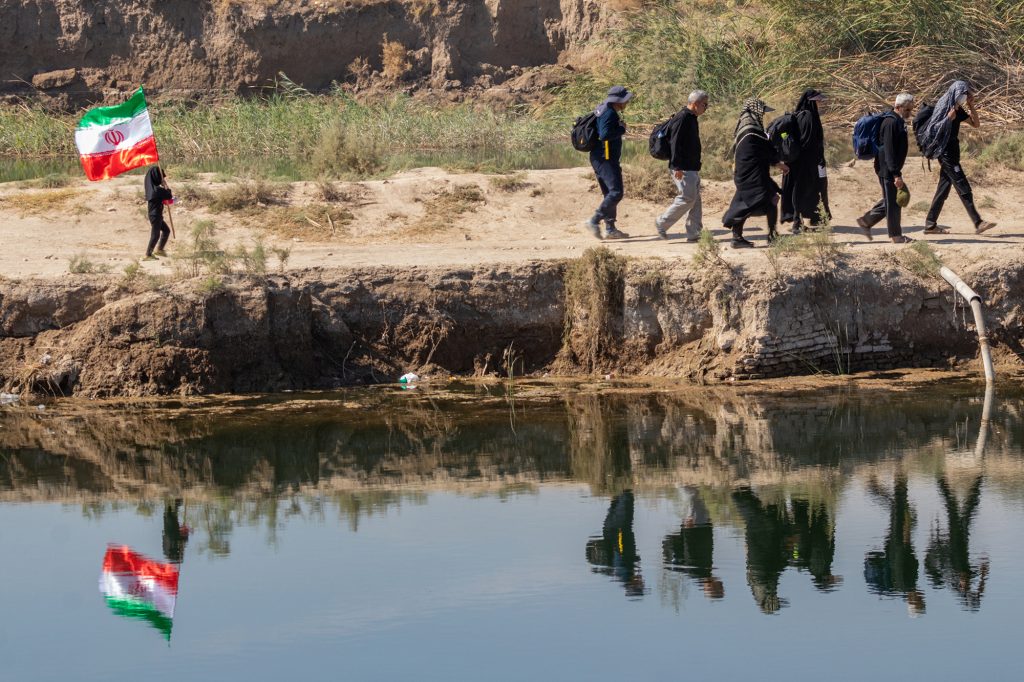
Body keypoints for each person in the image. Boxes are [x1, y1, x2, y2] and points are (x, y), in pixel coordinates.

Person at [922, 82, 997, 235]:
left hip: (953, 152)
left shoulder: (958, 108)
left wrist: (971, 106)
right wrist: (948, 119)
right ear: (956, 92)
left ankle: (930, 224)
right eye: (964, 93)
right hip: (945, 153)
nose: (965, 95)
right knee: (963, 186)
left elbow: (976, 124)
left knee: (943, 189)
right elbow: (932, 130)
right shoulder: (943, 107)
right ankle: (978, 222)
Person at [722, 98, 789, 248]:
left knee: (744, 204)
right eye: (762, 112)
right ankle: (771, 236)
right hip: (753, 176)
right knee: (770, 200)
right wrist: (778, 162)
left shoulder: (744, 128)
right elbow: (764, 151)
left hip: (747, 174)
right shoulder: (752, 130)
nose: (763, 116)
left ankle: (738, 238)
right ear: (755, 111)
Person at [856, 93, 915, 244]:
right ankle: (896, 236)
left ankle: (866, 220)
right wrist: (896, 174)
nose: (909, 113)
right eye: (907, 110)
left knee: (891, 199)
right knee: (895, 202)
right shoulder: (890, 122)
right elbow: (888, 150)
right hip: (887, 168)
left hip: (889, 167)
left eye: (911, 110)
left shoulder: (898, 120)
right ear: (898, 107)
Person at [655, 90, 709, 242]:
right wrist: (677, 166)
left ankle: (694, 233)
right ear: (696, 104)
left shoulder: (691, 117)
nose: (706, 108)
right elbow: (675, 143)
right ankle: (662, 222)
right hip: (683, 167)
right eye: (705, 105)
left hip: (690, 166)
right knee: (687, 198)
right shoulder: (683, 117)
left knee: (695, 200)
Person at [584, 86, 633, 240]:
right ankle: (594, 220)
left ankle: (610, 229)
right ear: (618, 100)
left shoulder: (603, 108)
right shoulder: (609, 113)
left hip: (600, 157)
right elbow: (605, 135)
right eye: (625, 99)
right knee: (616, 192)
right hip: (605, 158)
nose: (627, 102)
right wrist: (621, 129)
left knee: (609, 193)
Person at [781, 89, 830, 232]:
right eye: (817, 100)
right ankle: (797, 223)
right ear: (811, 101)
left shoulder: (801, 115)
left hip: (799, 161)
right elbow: (807, 142)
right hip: (805, 162)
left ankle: (809, 219)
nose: (820, 103)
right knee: (802, 190)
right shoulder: (808, 116)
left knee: (806, 190)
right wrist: (817, 159)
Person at [144, 166, 173, 260]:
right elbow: (168, 195)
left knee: (166, 230)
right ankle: (148, 254)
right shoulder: (156, 190)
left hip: (156, 215)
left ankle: (160, 250)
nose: (162, 179)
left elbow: (166, 197)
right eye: (161, 177)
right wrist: (165, 184)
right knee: (155, 235)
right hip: (155, 215)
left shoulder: (153, 189)